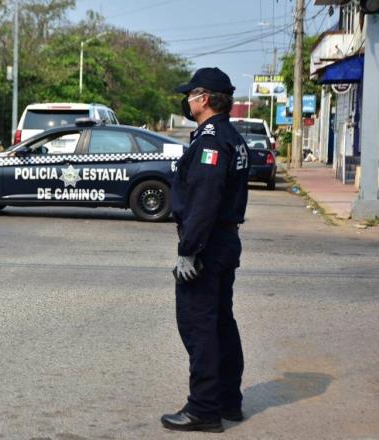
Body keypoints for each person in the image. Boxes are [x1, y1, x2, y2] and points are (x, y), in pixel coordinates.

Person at [161, 67, 250, 433]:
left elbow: (204, 200)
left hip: (208, 244)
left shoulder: (212, 140)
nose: (187, 101)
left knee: (200, 327)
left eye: (191, 95)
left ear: (204, 98)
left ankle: (204, 408)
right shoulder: (231, 136)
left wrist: (189, 249)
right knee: (220, 323)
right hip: (223, 242)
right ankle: (229, 400)